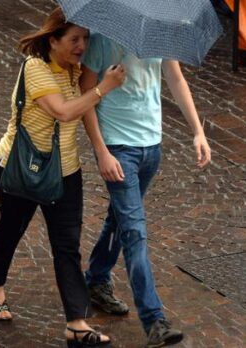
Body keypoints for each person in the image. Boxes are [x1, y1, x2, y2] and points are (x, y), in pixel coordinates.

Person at [0, 8, 125, 347]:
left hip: (65, 172)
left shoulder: (76, 70)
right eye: (74, 39)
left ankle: (76, 323)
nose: (82, 46)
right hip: (22, 168)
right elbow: (63, 111)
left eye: (85, 39)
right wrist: (103, 88)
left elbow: (84, 108)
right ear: (53, 39)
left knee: (67, 246)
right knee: (11, 229)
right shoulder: (36, 68)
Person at [80, 33, 211, 348]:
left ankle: (96, 279)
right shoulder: (101, 41)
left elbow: (176, 79)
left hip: (151, 146)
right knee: (135, 232)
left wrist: (198, 131)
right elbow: (86, 95)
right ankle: (154, 321)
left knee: (120, 220)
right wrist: (101, 151)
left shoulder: (159, 34)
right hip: (119, 148)